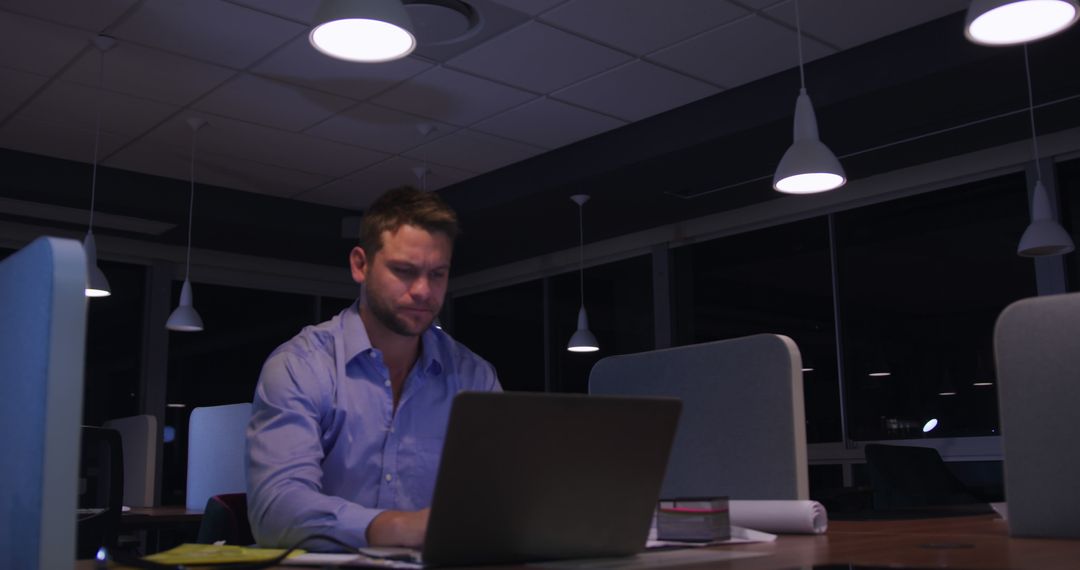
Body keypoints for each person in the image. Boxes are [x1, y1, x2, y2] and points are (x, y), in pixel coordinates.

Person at [246, 186, 501, 550]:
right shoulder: (300, 367)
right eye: (404, 271)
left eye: (438, 274)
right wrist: (397, 529)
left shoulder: (475, 377)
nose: (424, 291)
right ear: (360, 265)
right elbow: (275, 512)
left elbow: (499, 499)